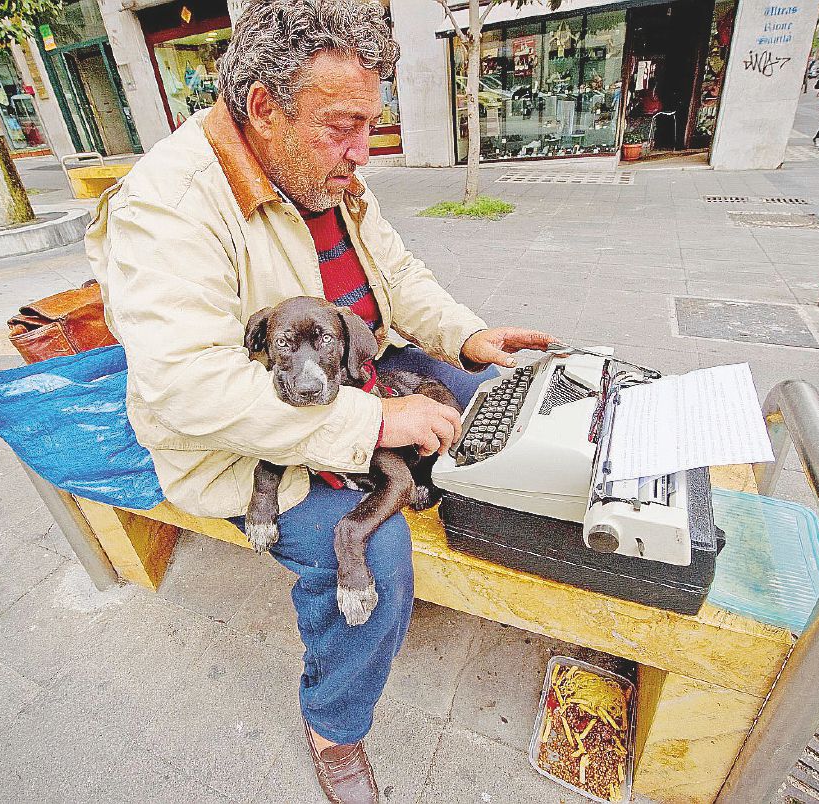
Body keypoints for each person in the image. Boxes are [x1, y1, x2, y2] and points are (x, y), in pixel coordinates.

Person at [83, 2, 553, 802]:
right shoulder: (167, 204)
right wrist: (373, 420)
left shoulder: (326, 171)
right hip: (244, 437)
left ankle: (520, 537)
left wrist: (468, 337)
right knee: (376, 555)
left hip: (359, 367)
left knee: (511, 401)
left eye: (370, 125)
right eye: (342, 127)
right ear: (263, 109)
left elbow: (396, 279)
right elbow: (188, 385)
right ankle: (335, 726)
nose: (360, 152)